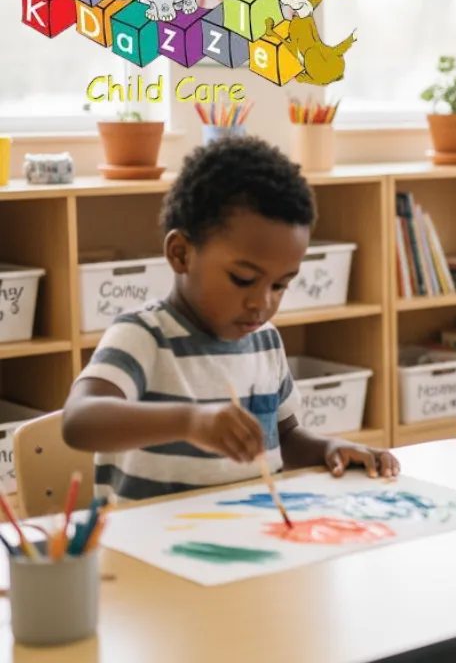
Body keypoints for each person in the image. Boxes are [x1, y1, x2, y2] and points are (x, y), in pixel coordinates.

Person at [62, 136, 400, 503]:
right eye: (243, 279)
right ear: (181, 254)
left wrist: (328, 448)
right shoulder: (144, 335)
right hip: (150, 548)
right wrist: (190, 422)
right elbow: (79, 422)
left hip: (246, 540)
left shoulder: (265, 341)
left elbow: (283, 439)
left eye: (281, 284)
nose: (262, 302)